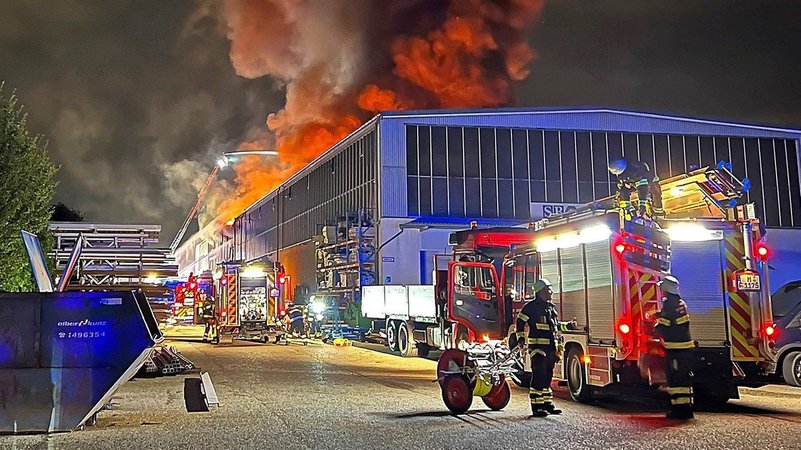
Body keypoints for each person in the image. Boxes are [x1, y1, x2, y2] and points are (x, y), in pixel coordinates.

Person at [510, 279, 576, 417]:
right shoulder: (531, 308)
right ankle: (536, 406)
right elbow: (520, 322)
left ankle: (547, 404)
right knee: (538, 377)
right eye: (548, 290)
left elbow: (555, 326)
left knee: (547, 377)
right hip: (538, 349)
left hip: (551, 348)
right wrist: (521, 338)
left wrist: (568, 325)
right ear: (540, 292)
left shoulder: (550, 307)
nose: (551, 292)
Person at [653, 275, 695, 420]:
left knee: (675, 380)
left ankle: (678, 410)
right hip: (685, 348)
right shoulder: (680, 303)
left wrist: (652, 325)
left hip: (675, 349)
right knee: (684, 379)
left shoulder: (669, 305)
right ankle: (687, 409)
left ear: (665, 290)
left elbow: (663, 326)